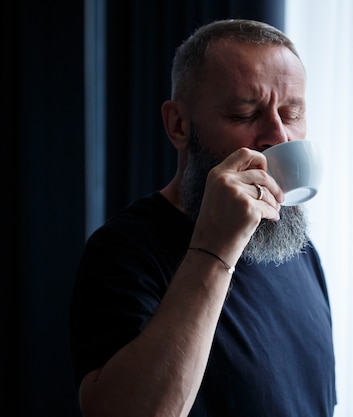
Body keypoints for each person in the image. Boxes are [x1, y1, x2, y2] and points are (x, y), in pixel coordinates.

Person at [69, 19, 336, 417]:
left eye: (290, 112)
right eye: (246, 113)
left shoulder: (300, 251)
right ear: (179, 125)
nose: (278, 136)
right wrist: (214, 251)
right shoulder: (123, 250)